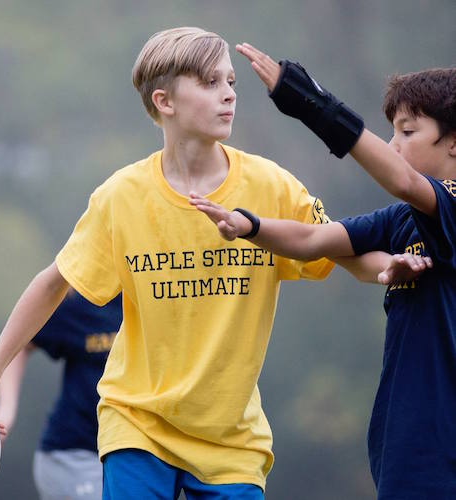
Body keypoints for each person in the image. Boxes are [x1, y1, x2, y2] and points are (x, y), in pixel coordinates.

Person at [0, 27, 427, 499]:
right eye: (211, 83)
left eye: (231, 83)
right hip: (137, 424)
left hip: (231, 439)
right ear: (165, 101)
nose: (229, 94)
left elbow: (339, 249)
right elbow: (51, 286)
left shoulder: (271, 186)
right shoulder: (120, 197)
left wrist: (388, 268)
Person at [190, 43, 455, 498]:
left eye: (407, 132)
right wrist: (249, 225)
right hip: (405, 448)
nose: (392, 146)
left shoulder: (447, 202)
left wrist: (309, 101)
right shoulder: (399, 221)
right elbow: (315, 239)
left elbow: (403, 180)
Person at [0, 288, 121, 500]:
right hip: (73, 456)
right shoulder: (82, 301)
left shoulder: (150, 300)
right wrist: (6, 410)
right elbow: (20, 341)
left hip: (128, 454)